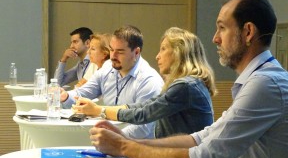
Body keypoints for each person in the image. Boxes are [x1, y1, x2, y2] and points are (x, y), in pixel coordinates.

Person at [89, 0, 288, 158]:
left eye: (222, 27)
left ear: (248, 32)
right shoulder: (258, 81)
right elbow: (201, 138)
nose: (215, 38)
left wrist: (124, 146)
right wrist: (131, 143)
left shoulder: (265, 84)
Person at [73, 27, 217, 138]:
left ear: (178, 53)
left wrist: (100, 111)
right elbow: (143, 105)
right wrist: (99, 110)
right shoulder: (188, 84)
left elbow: (143, 114)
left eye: (163, 49)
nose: (157, 56)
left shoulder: (185, 86)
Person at [61, 25, 164, 139]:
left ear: (136, 52)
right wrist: (65, 96)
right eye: (111, 49)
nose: (113, 56)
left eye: (120, 51)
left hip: (136, 146)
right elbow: (83, 93)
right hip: (107, 141)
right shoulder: (108, 67)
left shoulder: (149, 80)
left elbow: (142, 127)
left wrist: (111, 138)